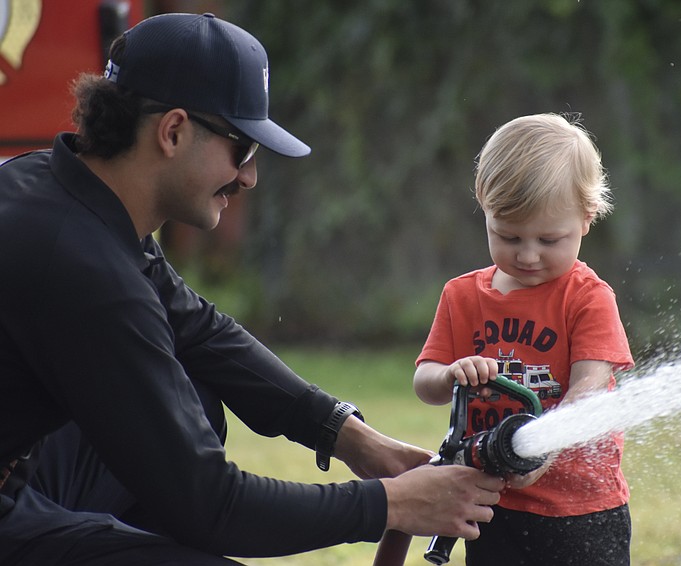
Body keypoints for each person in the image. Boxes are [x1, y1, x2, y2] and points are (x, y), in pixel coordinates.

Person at [0, 12, 505, 565]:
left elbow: (199, 331)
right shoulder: (89, 273)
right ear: (173, 131)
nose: (249, 178)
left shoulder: (54, 186)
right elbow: (212, 506)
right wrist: (387, 505)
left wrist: (348, 435)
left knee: (193, 390)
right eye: (242, 149)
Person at [413, 113, 635, 565]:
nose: (528, 254)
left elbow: (589, 387)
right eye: (508, 235)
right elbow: (425, 383)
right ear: (484, 208)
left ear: (586, 220)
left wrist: (539, 450)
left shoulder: (589, 298)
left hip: (584, 509)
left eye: (549, 239)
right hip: (492, 505)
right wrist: (452, 375)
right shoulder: (461, 297)